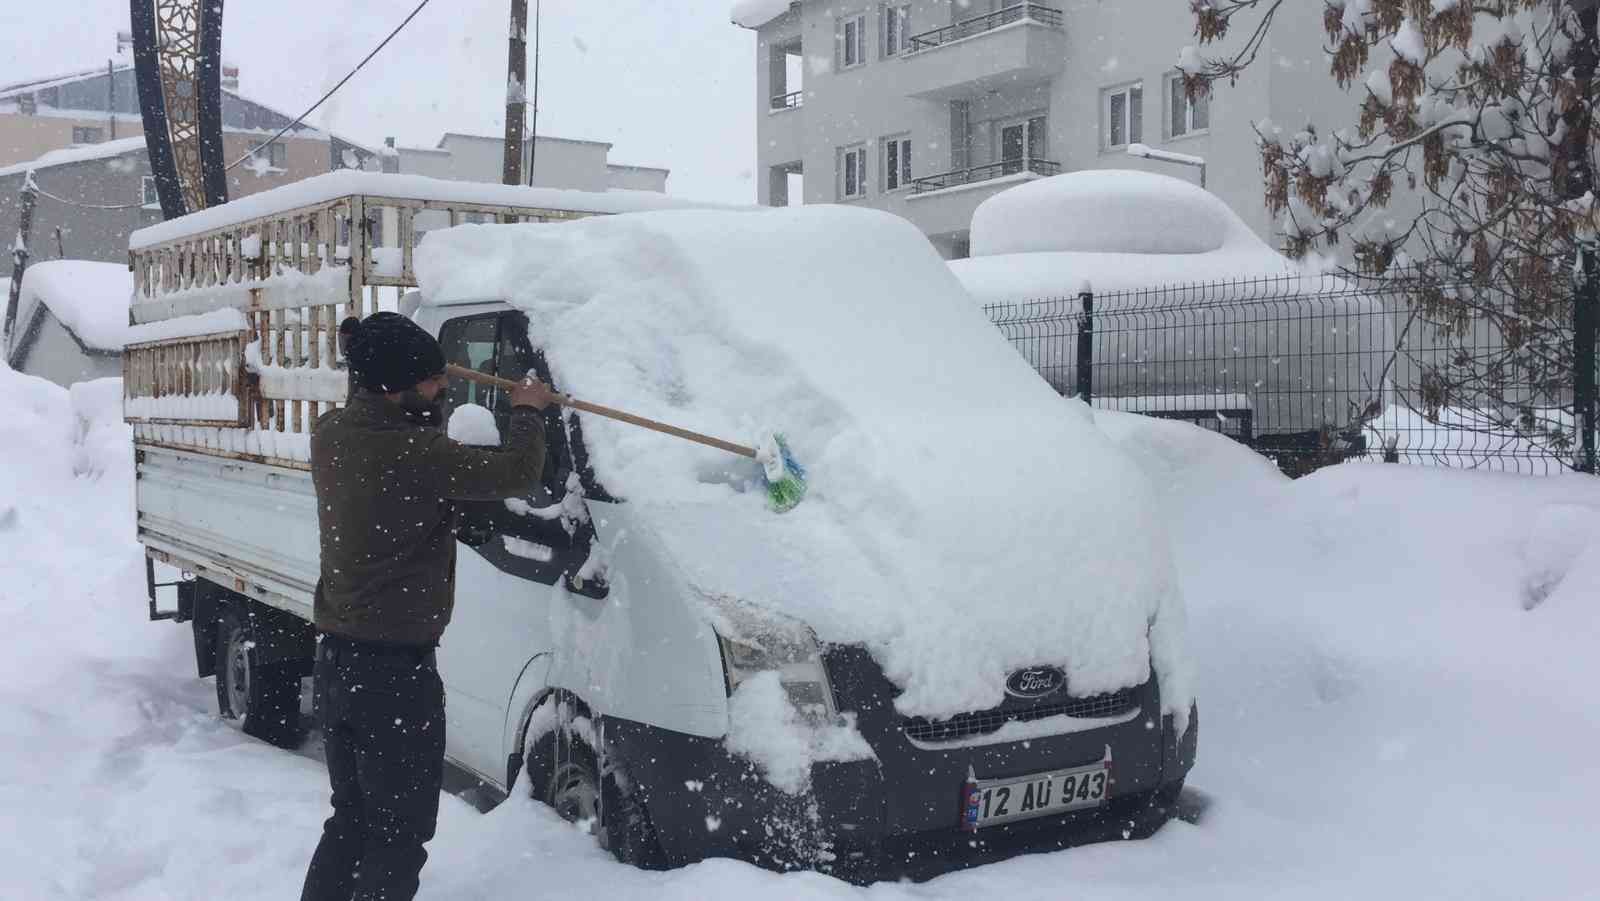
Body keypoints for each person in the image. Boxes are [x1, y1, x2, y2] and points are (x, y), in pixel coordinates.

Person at [301, 311, 556, 901]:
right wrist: (526, 410)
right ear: (394, 388)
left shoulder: (333, 434)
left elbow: (389, 408)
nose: (444, 388)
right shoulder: (415, 455)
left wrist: (382, 358)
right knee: (398, 834)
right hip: (393, 675)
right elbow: (518, 473)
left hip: (340, 662)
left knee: (352, 820)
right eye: (433, 381)